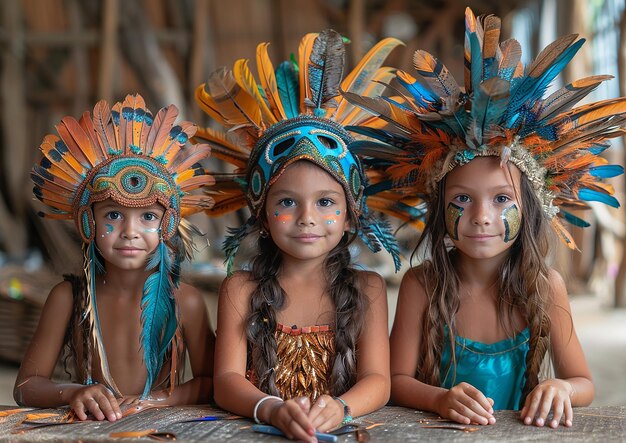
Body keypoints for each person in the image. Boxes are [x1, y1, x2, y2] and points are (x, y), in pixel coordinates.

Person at [343, 7, 626, 429]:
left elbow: (582, 381)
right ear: (439, 209)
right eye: (462, 199)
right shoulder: (422, 285)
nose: (480, 216)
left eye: (500, 199)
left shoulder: (546, 288)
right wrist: (439, 399)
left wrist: (561, 388)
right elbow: (396, 381)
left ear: (530, 211)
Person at [193, 30, 404, 441]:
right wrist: (271, 409)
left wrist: (341, 408)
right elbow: (226, 381)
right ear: (263, 215)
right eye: (288, 202)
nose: (307, 218)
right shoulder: (240, 289)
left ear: (349, 217)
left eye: (326, 202)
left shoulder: (368, 288)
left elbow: (379, 380)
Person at [15, 94, 216, 421]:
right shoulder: (68, 298)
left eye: (148, 217)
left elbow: (214, 383)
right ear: (88, 222)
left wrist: (155, 400)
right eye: (113, 215)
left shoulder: (186, 301)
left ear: (167, 224)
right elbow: (25, 386)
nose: (129, 231)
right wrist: (75, 392)